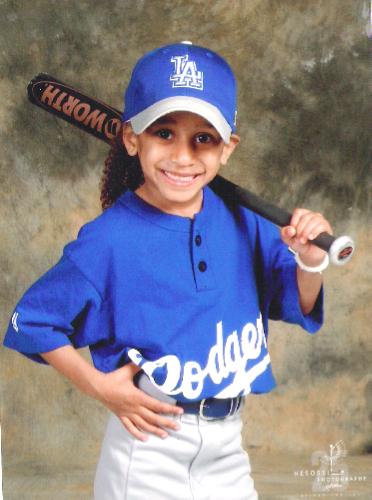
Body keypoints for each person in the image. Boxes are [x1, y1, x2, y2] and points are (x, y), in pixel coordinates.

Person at [3, 42, 332, 499]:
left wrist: (310, 259)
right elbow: (31, 322)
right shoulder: (107, 240)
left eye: (204, 138)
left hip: (228, 451)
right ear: (131, 137)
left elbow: (300, 300)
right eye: (164, 133)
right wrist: (99, 387)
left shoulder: (245, 222)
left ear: (228, 147)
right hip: (147, 451)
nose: (183, 157)